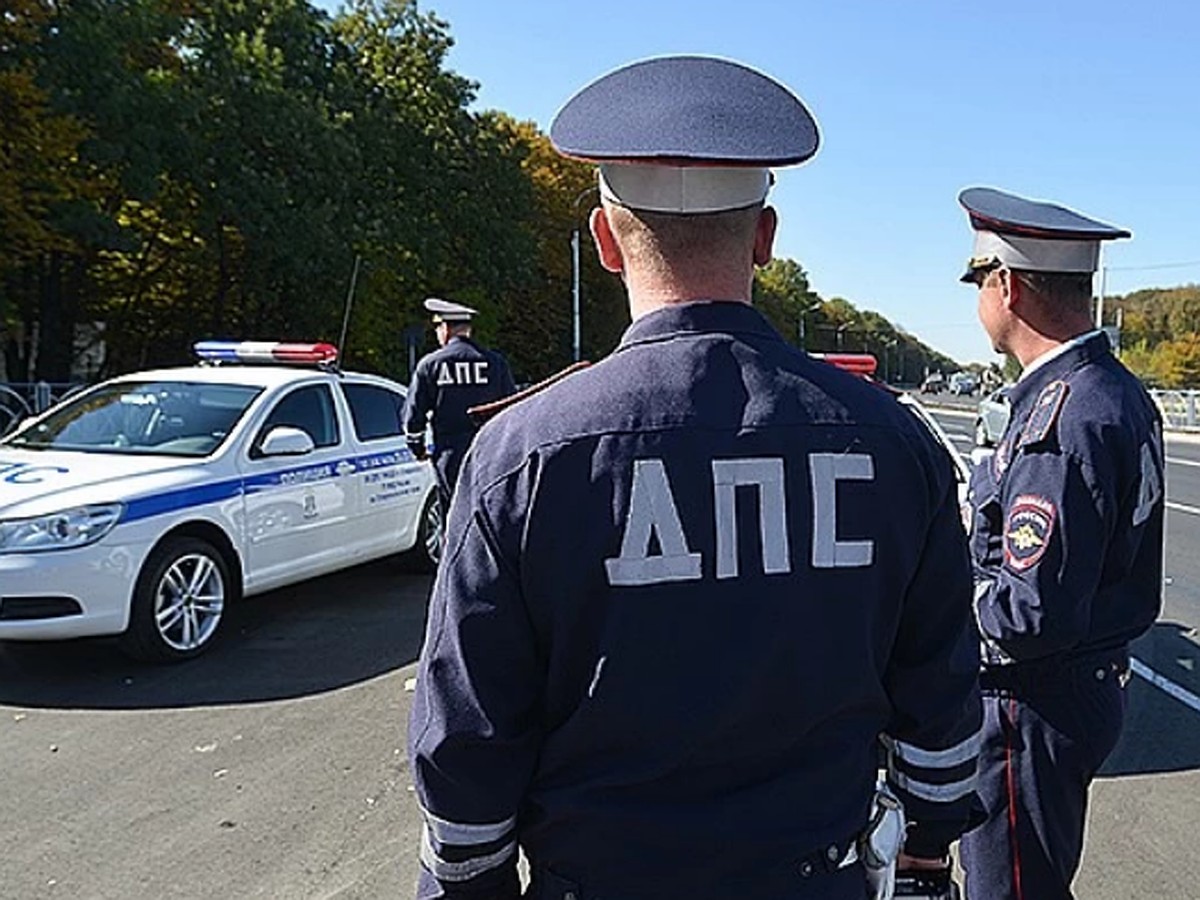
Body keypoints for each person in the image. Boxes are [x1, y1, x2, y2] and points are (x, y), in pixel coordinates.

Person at [408, 56, 982, 900]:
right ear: (765, 237)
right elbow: (939, 689)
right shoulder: (896, 442)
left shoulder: (519, 455)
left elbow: (468, 729)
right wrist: (929, 842)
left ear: (606, 242)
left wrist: (471, 879)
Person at [955, 187, 1165, 900]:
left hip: (1030, 702)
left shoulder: (1061, 415)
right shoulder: (1113, 390)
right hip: (1080, 685)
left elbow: (1029, 613)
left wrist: (936, 609)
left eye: (980, 280)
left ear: (1007, 286)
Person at [403, 297, 516, 516]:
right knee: (489, 512)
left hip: (451, 454)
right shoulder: (495, 362)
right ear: (468, 330)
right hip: (490, 452)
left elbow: (414, 415)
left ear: (445, 329)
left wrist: (417, 448)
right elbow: (511, 408)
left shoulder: (431, 364)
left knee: (455, 515)